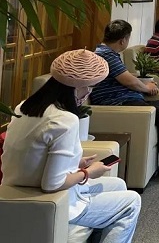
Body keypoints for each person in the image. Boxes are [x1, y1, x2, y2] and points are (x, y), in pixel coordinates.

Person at [1, 49, 141, 242]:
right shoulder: (65, 120)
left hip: (20, 183)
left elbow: (34, 156)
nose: (89, 92)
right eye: (89, 87)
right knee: (132, 201)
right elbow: (52, 184)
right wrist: (88, 173)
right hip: (51, 199)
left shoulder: (24, 107)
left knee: (118, 184)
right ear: (77, 88)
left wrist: (77, 162)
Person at [91, 20, 159, 183]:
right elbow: (128, 81)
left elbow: (126, 77)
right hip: (120, 103)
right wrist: (146, 88)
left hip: (128, 99)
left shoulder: (107, 52)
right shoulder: (106, 55)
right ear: (123, 40)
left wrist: (145, 84)